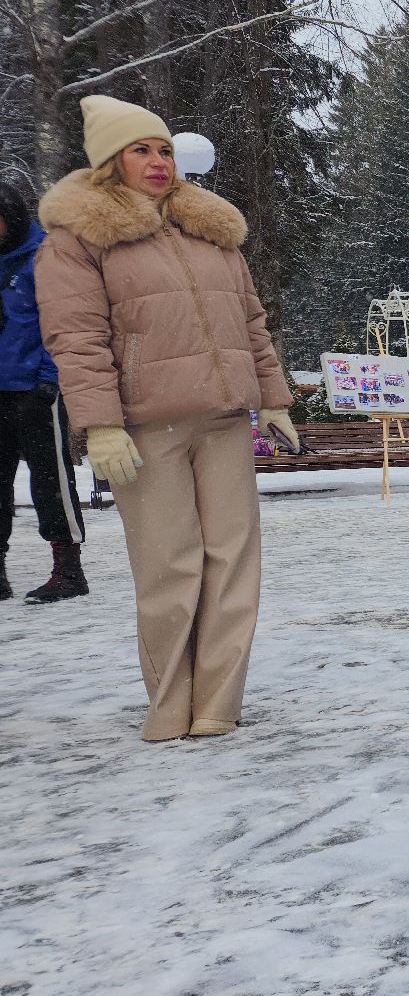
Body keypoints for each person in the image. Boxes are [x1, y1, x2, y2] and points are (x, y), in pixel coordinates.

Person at [35, 94, 296, 740]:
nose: (158, 162)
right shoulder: (79, 240)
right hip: (145, 426)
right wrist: (100, 423)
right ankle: (171, 705)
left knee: (232, 562)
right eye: (140, 150)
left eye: (164, 150)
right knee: (168, 566)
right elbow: (77, 339)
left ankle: (217, 703)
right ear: (109, 161)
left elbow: (252, 322)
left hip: (223, 420)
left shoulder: (211, 230)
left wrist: (273, 397)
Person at [0, 180, 88, 604]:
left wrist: (49, 380)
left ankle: (68, 570)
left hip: (36, 390)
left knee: (51, 481)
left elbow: (64, 322)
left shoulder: (45, 255)